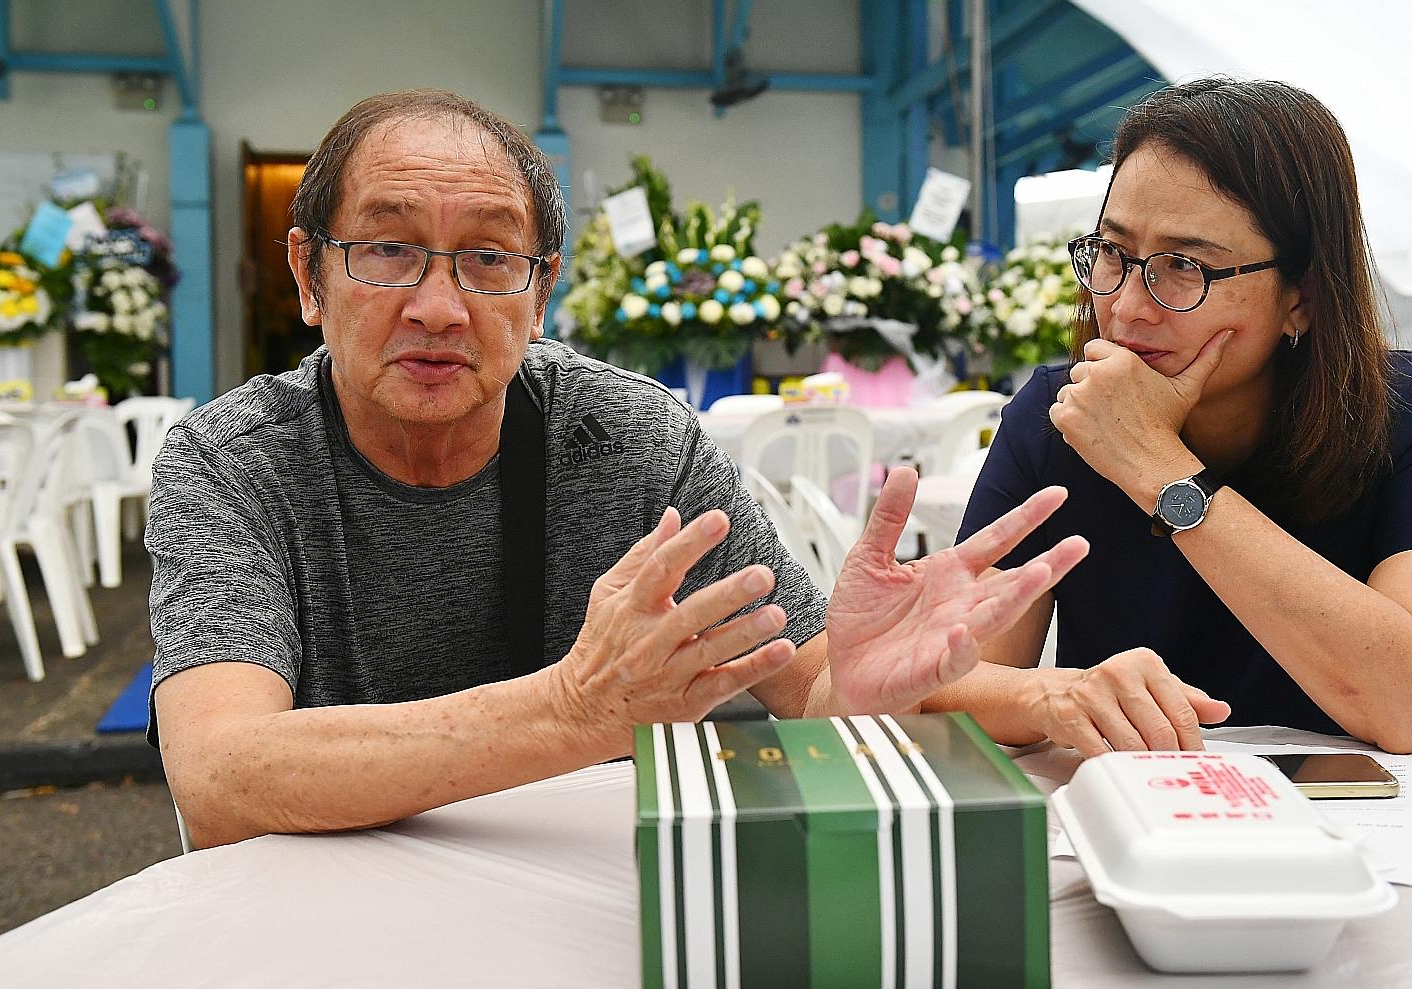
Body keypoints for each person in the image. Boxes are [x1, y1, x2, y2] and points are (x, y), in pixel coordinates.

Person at [147, 89, 1089, 849]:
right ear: (309, 276)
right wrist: (575, 711)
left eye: (487, 258)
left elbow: (805, 691)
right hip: (323, 920)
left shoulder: (633, 439)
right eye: (389, 250)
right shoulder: (233, 464)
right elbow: (222, 773)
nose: (438, 306)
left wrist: (861, 682)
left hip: (580, 909)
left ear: (542, 287)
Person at [958, 77, 1412, 756]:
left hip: (1360, 832)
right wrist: (1048, 696)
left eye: (1183, 267)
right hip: (1131, 822)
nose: (1126, 308)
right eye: (1114, 253)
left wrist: (1157, 466)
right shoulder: (1057, 414)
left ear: (1303, 297)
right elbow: (954, 681)